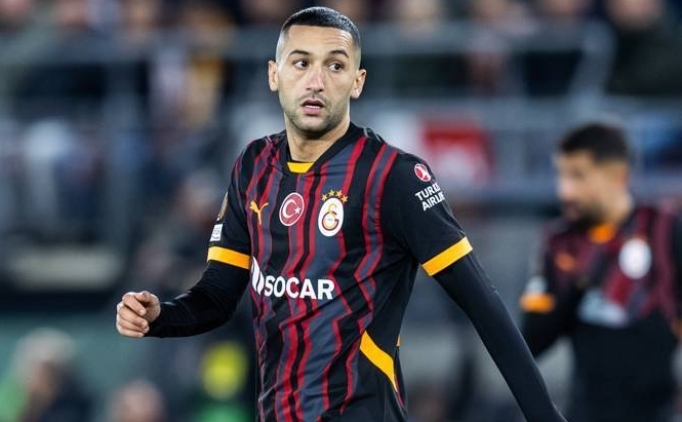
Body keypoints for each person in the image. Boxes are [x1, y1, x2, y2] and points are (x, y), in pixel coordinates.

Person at [116, 7, 566, 422]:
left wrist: (544, 416)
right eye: (301, 63)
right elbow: (217, 295)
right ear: (274, 74)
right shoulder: (252, 167)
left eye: (335, 65)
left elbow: (483, 305)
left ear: (357, 81)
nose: (316, 81)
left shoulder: (393, 177)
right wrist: (161, 318)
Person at [520, 122, 682, 422]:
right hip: (586, 413)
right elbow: (529, 341)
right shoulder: (559, 243)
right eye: (561, 175)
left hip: (658, 412)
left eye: (578, 176)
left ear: (618, 176)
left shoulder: (664, 228)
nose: (565, 190)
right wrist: (576, 286)